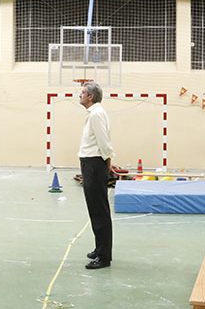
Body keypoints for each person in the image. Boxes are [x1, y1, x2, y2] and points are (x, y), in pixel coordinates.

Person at [78, 82, 114, 270]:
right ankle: (100, 248)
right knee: (95, 209)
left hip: (94, 163)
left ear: (90, 96)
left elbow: (103, 140)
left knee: (99, 210)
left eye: (83, 92)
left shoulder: (97, 114)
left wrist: (108, 160)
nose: (80, 95)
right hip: (89, 162)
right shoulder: (93, 113)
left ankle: (104, 256)